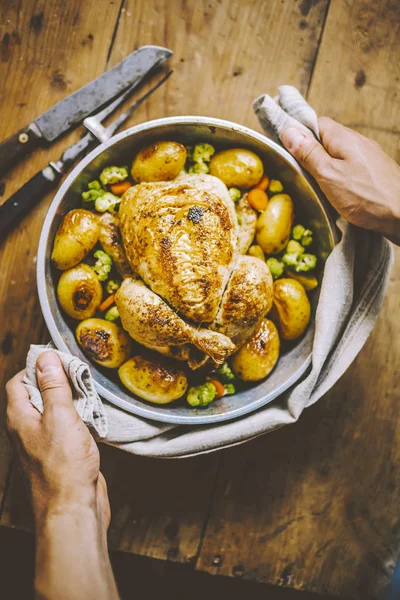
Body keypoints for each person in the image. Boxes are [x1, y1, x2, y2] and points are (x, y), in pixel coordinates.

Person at [5, 118, 400, 599]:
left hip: (188, 285)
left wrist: (66, 507)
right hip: (207, 284)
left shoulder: (143, 207)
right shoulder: (206, 194)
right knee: (254, 273)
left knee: (182, 286)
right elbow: (239, 250)